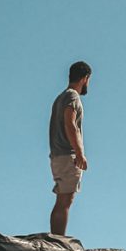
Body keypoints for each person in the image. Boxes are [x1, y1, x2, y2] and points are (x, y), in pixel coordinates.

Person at [48, 61, 91, 235]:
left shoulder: (61, 97)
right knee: (65, 200)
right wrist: (80, 153)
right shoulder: (72, 97)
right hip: (67, 155)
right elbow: (70, 123)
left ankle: (57, 240)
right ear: (85, 78)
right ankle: (59, 241)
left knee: (63, 199)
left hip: (58, 154)